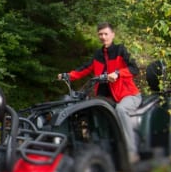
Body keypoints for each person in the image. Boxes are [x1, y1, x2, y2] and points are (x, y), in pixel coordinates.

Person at [59, 22, 141, 162]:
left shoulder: (120, 50)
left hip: (128, 95)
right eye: (100, 34)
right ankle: (99, 147)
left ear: (112, 35)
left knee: (121, 110)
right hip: (108, 97)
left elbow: (134, 68)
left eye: (106, 34)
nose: (103, 37)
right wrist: (68, 75)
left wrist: (117, 73)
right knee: (93, 109)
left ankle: (131, 152)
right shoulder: (98, 54)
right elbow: (85, 68)